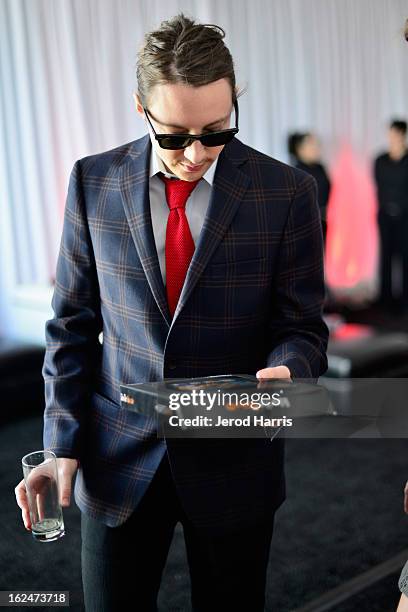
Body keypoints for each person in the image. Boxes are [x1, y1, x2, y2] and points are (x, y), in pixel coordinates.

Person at [15, 14, 328, 611]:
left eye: (217, 131)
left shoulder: (287, 192)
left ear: (235, 100)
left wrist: (291, 371)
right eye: (175, 135)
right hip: (117, 457)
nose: (196, 154)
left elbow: (302, 326)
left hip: (234, 456)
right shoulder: (93, 182)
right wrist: (60, 445)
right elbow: (71, 327)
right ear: (141, 107)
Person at [374, 119, 408, 310]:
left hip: (406, 215)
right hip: (385, 215)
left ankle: (404, 300)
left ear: (403, 135)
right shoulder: (380, 160)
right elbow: (379, 186)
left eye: (396, 134)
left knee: (405, 257)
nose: (392, 138)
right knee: (385, 256)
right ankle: (385, 298)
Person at [288, 132, 331, 242]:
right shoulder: (294, 172)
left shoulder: (321, 168)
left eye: (317, 144)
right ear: (299, 149)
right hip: (306, 222)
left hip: (324, 220)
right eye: (311, 144)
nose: (316, 148)